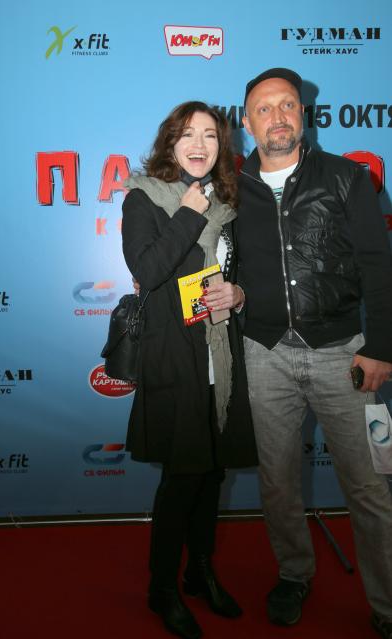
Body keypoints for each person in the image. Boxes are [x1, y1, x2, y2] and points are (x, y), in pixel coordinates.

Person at [233, 66, 392, 637]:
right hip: (264, 352)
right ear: (247, 122)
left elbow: (379, 266)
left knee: (369, 486)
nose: (277, 117)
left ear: (302, 113)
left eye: (287, 105)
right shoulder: (232, 188)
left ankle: (388, 603)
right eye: (264, 108)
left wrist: (381, 347)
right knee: (277, 481)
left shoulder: (348, 178)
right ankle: (294, 573)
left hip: (343, 352)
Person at [121, 101, 258, 639]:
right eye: (188, 134)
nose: (199, 145)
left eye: (210, 135)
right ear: (170, 142)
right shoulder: (144, 197)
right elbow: (146, 270)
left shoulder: (228, 203)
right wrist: (187, 212)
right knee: (182, 478)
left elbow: (239, 274)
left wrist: (238, 293)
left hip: (221, 356)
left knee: (212, 474)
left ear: (222, 146)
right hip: (175, 357)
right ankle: (162, 588)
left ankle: (200, 572)